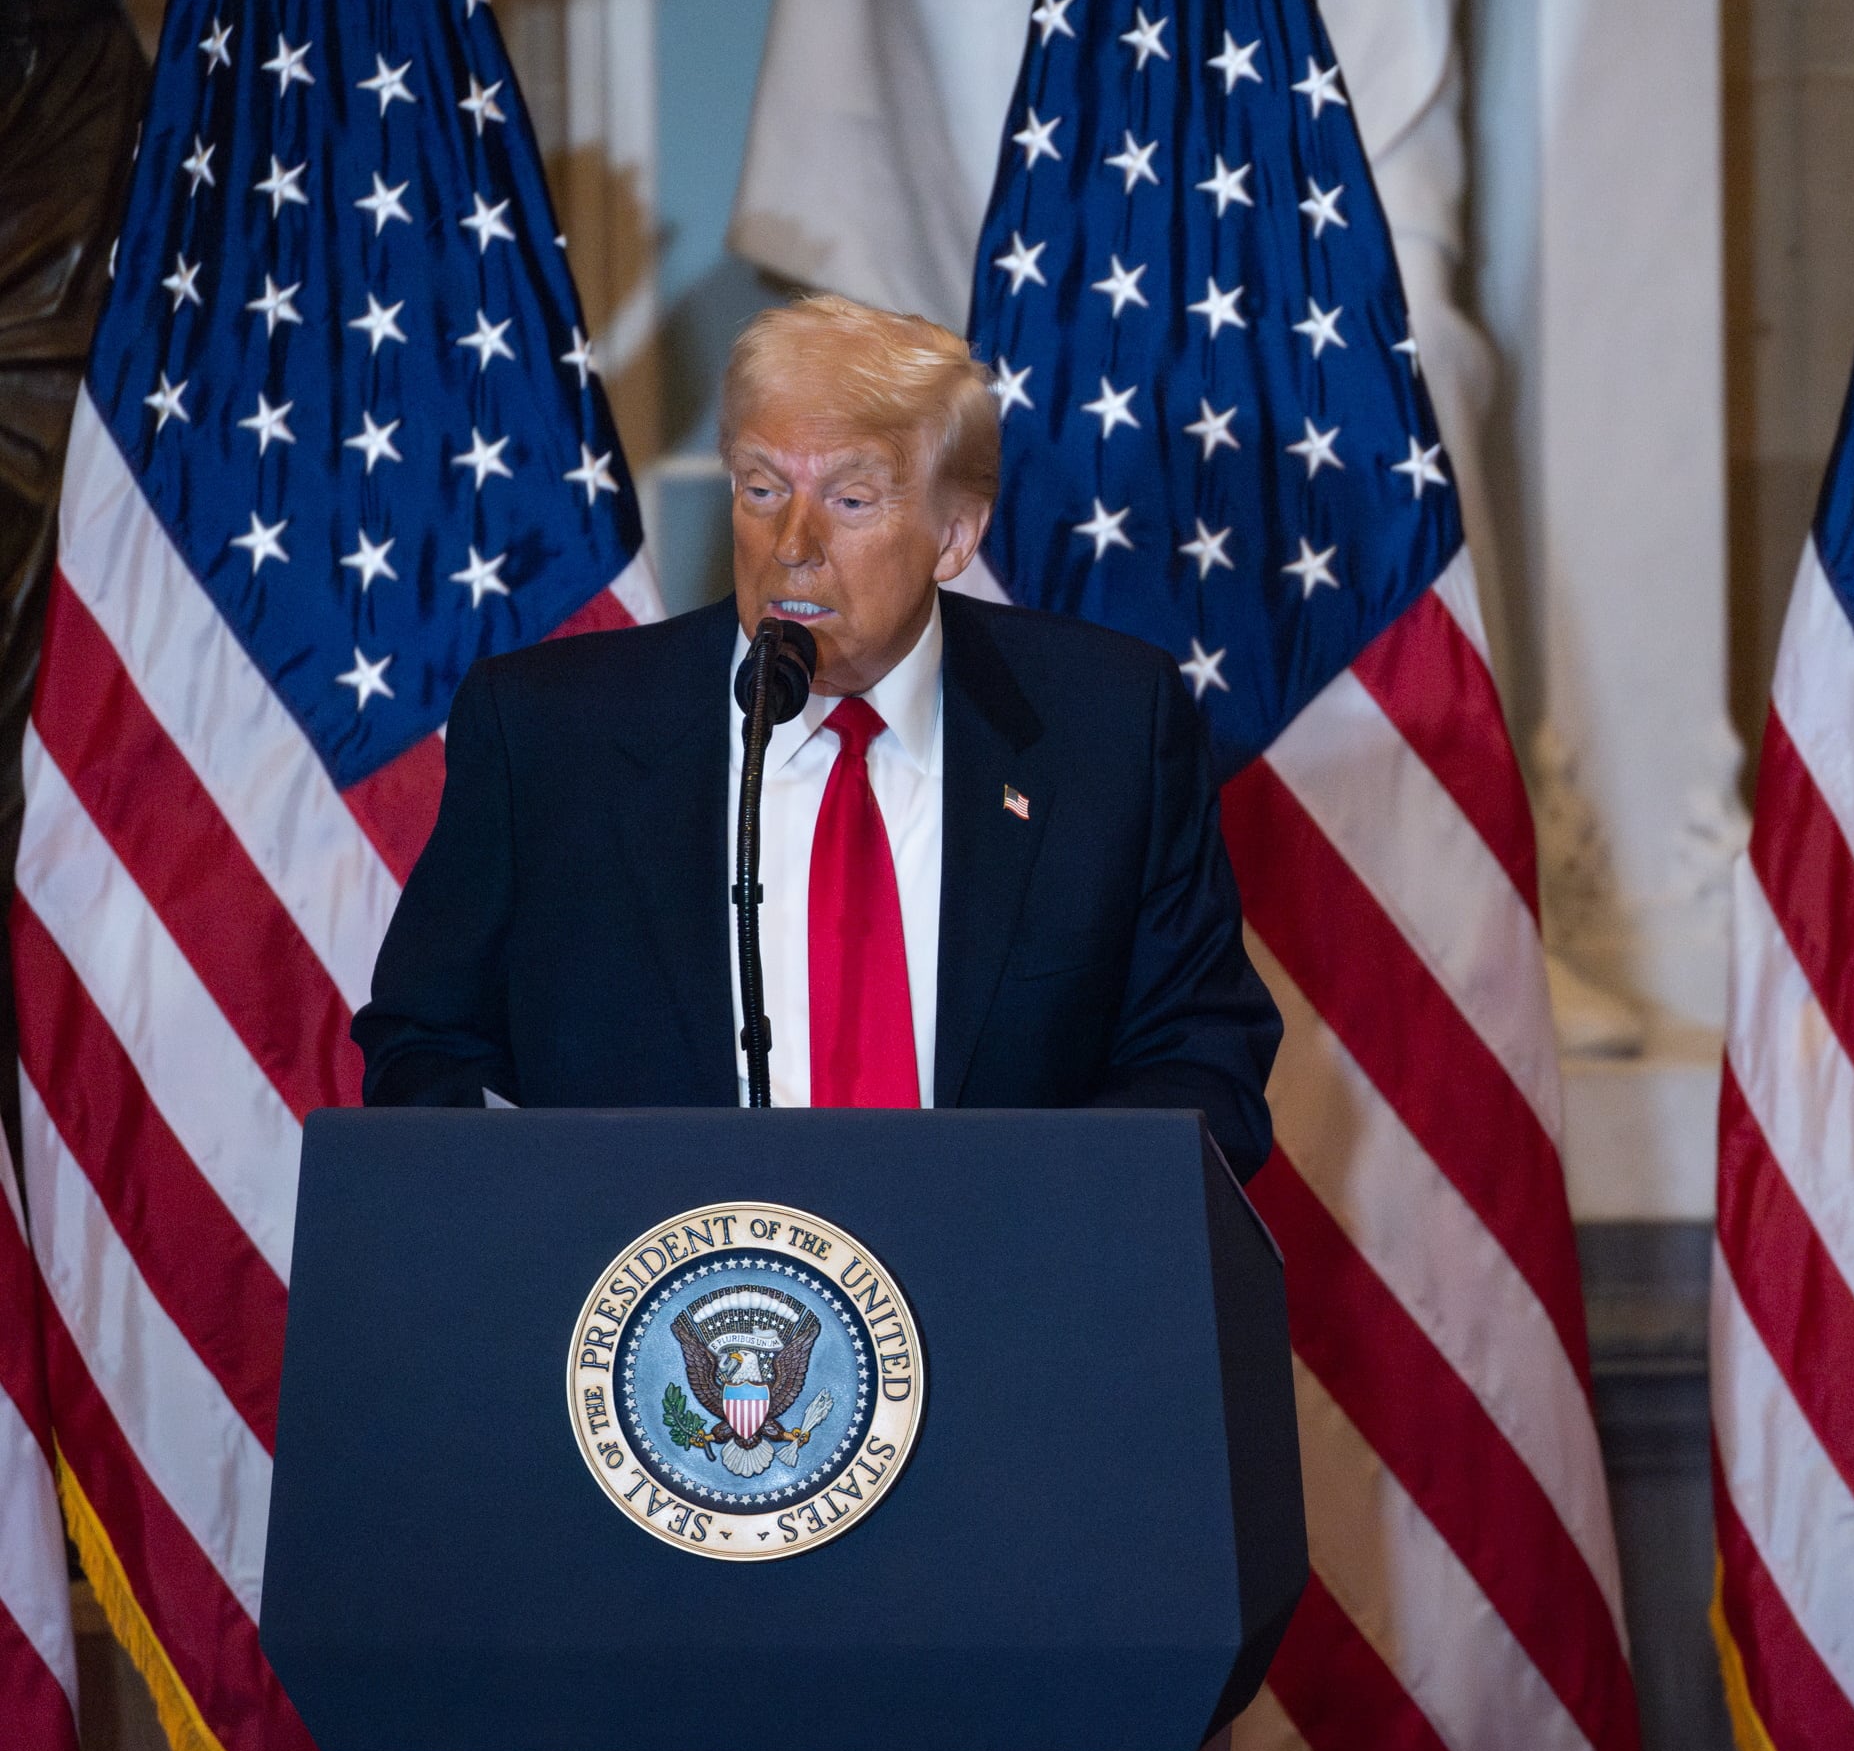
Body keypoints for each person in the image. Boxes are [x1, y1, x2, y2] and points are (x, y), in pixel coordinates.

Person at [352, 295, 1281, 1179]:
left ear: (954, 534)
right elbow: (424, 1048)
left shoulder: (1110, 727)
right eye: (761, 488)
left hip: (1002, 1312)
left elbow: (1203, 1064)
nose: (790, 542)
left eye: (850, 499)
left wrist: (1006, 1222)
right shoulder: (550, 736)